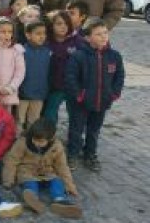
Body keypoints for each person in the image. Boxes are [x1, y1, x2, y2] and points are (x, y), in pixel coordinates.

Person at [65, 18, 125, 171]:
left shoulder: (114, 56)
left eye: (105, 33)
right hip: (80, 103)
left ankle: (90, 154)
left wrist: (114, 93)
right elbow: (70, 78)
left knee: (94, 131)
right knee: (76, 130)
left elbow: (119, 76)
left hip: (102, 101)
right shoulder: (78, 56)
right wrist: (79, 95)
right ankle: (72, 154)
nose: (103, 37)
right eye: (98, 34)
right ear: (87, 37)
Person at [3, 118, 82, 218]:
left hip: (47, 172)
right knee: (30, 184)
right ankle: (32, 200)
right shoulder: (22, 143)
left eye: (41, 141)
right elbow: (12, 160)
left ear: (50, 139)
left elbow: (62, 166)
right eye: (34, 140)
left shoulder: (57, 146)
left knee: (57, 182)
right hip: (27, 172)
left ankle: (59, 200)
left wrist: (69, 185)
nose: (36, 143)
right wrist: (8, 180)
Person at [42, 10, 82, 127]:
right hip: (55, 86)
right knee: (50, 113)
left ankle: (75, 138)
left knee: (75, 114)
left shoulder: (78, 41)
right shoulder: (46, 42)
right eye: (59, 24)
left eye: (66, 23)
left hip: (73, 86)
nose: (63, 27)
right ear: (51, 25)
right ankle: (49, 135)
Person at [18, 21, 51, 135]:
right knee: (19, 120)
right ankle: (17, 142)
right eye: (38, 33)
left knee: (34, 120)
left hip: (39, 93)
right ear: (28, 35)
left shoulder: (47, 52)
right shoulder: (21, 51)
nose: (42, 36)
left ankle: (31, 141)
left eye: (44, 33)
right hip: (23, 93)